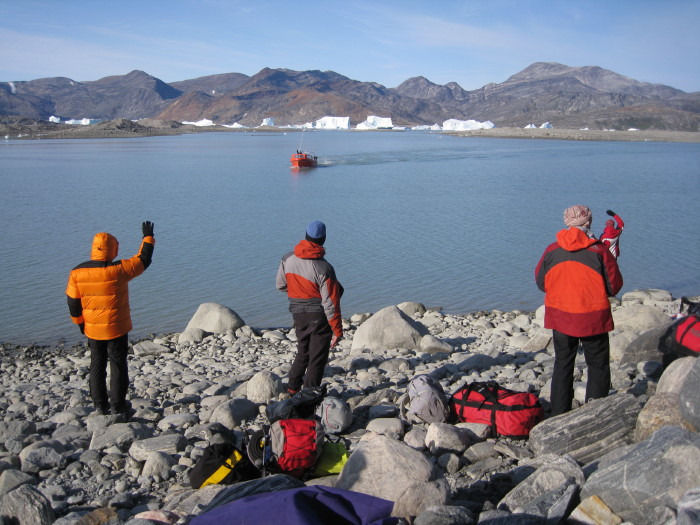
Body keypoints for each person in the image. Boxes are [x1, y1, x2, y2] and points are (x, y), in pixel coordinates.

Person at [535, 205, 622, 416]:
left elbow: (541, 282)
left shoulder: (552, 250)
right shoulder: (599, 250)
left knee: (563, 363)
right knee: (598, 364)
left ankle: (558, 413)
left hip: (561, 316)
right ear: (588, 223)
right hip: (592, 317)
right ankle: (595, 413)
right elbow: (614, 286)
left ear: (567, 223)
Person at [66, 222, 155, 415]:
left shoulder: (77, 273)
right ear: (114, 249)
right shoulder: (119, 270)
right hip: (117, 328)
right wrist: (147, 238)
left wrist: (80, 323)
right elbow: (143, 260)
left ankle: (100, 406)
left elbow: (72, 302)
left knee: (97, 364)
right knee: (118, 364)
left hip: (93, 328)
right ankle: (118, 405)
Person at [277, 221, 343, 394]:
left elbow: (281, 285)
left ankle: (292, 389)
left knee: (303, 350)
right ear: (323, 239)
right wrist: (337, 330)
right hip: (319, 315)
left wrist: (299, 295)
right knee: (317, 358)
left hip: (297, 312)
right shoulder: (324, 268)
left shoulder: (287, 258)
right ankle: (308, 396)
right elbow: (331, 303)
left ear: (306, 235)